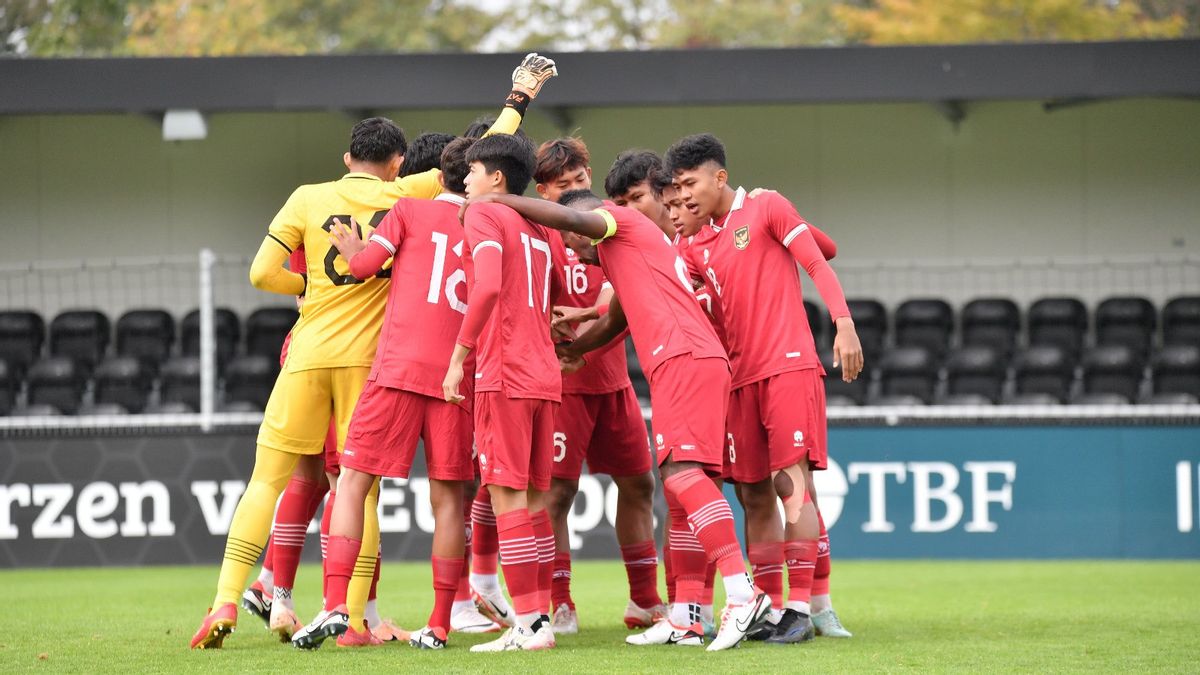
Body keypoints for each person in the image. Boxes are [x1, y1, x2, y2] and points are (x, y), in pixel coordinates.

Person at [188, 53, 558, 650]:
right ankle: (402, 618)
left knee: (304, 480)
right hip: (417, 368)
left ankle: (254, 598)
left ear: (346, 159)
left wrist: (318, 277)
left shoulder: (326, 198)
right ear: (400, 165)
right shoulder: (437, 204)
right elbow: (485, 154)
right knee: (419, 496)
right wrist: (516, 101)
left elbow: (277, 271)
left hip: (329, 355)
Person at [459, 188, 771, 652]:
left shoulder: (614, 221)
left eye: (570, 238)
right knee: (678, 482)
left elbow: (569, 215)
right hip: (683, 359)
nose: (570, 248)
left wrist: (498, 200)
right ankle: (686, 617)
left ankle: (743, 594)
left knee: (684, 476)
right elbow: (617, 319)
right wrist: (571, 350)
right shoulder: (627, 256)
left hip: (683, 354)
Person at [666, 132, 860, 642]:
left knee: (792, 487)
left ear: (719, 177)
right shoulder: (694, 246)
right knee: (754, 495)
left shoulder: (766, 206)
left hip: (786, 365)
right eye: (676, 191)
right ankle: (773, 608)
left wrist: (843, 323)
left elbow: (819, 260)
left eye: (690, 184)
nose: (684, 197)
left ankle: (804, 607)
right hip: (738, 379)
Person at [526, 138, 664, 634]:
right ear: (542, 191)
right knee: (557, 495)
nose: (577, 190)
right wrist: (550, 330)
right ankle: (557, 603)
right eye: (563, 186)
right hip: (563, 387)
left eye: (581, 179)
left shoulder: (609, 226)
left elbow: (619, 299)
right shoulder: (539, 238)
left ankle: (646, 601)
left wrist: (582, 332)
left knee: (640, 484)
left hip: (613, 382)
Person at [442, 133, 568, 652]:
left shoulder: (485, 215)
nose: (464, 180)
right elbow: (555, 292)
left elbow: (489, 286)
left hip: (505, 371)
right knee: (534, 501)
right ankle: (537, 620)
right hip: (544, 374)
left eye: (470, 171)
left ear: (495, 177)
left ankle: (531, 625)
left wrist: (457, 359)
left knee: (506, 496)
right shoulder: (540, 225)